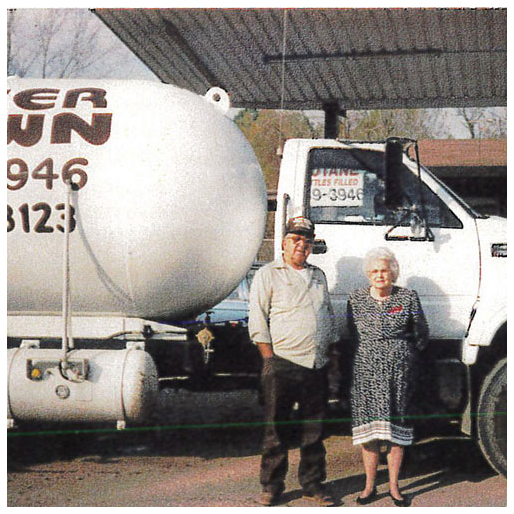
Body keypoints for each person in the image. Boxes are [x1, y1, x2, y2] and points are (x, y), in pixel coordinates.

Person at [249, 216, 340, 507]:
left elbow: (327, 315)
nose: (302, 245)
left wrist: (330, 352)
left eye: (307, 240)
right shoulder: (269, 274)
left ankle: (313, 484)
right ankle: (272, 487)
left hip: (317, 363)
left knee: (314, 430)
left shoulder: (318, 275)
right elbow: (257, 319)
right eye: (296, 239)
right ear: (285, 243)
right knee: (277, 429)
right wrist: (269, 359)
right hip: (282, 363)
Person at [347, 247, 428, 507]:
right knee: (369, 433)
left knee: (397, 430)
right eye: (374, 271)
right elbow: (352, 333)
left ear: (392, 272)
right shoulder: (356, 299)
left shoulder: (407, 297)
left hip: (399, 374)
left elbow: (421, 334)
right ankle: (369, 485)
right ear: (368, 275)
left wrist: (405, 358)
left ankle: (394, 487)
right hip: (366, 372)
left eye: (384, 270)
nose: (379, 275)